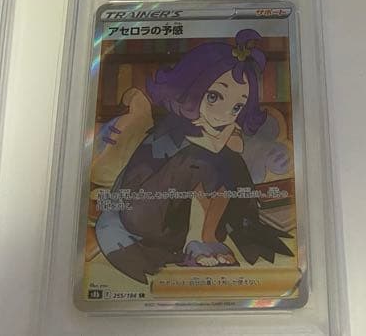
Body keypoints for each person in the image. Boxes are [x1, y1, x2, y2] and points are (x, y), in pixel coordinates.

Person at [90, 30, 293, 283]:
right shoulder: (174, 126)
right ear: (192, 87)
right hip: (141, 211)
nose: (223, 114)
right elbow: (207, 152)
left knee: (228, 161)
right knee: (200, 160)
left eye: (236, 107)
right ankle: (199, 239)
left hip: (175, 219)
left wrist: (228, 132)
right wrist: (226, 133)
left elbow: (235, 148)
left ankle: (207, 235)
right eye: (214, 97)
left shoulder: (217, 130)